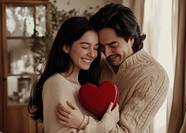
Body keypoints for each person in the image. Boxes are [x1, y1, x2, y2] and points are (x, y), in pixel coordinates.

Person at [56, 3, 169, 133]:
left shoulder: (154, 77)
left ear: (131, 39)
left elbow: (125, 131)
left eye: (113, 45)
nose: (106, 53)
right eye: (101, 47)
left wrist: (83, 122)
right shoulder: (99, 62)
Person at [28, 16, 119, 133]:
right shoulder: (56, 82)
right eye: (85, 47)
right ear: (66, 47)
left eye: (96, 48)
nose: (92, 54)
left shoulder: (82, 85)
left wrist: (84, 122)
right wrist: (106, 124)